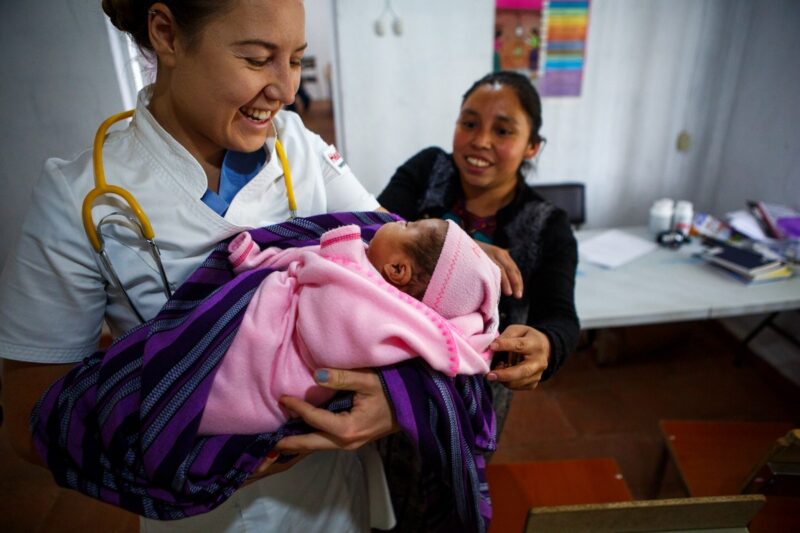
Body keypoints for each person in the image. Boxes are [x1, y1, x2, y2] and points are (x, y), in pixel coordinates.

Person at [0, 1, 398, 531]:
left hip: (329, 491)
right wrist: (190, 465)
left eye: (296, 59)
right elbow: (33, 417)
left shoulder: (298, 148)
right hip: (204, 510)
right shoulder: (80, 199)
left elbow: (403, 269)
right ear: (166, 34)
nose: (284, 88)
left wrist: (393, 402)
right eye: (258, 59)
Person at [377, 70, 580, 530]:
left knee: (445, 497)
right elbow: (373, 225)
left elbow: (561, 318)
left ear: (533, 147)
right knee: (379, 493)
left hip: (472, 397)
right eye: (469, 123)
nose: (479, 141)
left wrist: (547, 346)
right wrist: (460, 244)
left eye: (503, 130)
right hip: (388, 375)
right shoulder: (428, 170)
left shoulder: (547, 226)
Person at [198, 218, 501, 434]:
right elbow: (306, 258)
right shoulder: (363, 266)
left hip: (269, 368)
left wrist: (329, 264)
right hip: (267, 341)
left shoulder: (376, 313)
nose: (401, 219)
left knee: (208, 384)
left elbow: (323, 335)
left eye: (409, 226)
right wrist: (256, 260)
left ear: (398, 269)